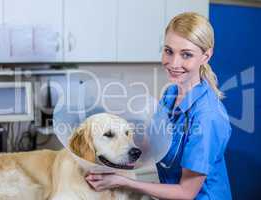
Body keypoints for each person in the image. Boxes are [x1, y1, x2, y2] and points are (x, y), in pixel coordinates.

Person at [85, 12, 232, 200]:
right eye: (168, 51)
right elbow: (150, 145)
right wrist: (110, 143)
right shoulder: (170, 96)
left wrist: (122, 181)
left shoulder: (208, 115)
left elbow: (186, 192)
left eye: (186, 54)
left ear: (206, 55)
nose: (173, 63)